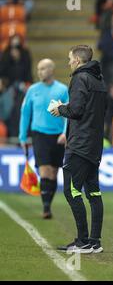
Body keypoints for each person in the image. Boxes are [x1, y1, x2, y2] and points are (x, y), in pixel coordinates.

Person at [50, 45, 108, 254]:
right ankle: (95, 241)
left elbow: (76, 110)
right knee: (93, 192)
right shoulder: (99, 80)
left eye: (69, 59)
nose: (68, 62)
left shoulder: (79, 78)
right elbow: (96, 110)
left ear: (76, 60)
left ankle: (83, 241)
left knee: (71, 190)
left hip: (80, 145)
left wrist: (60, 109)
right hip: (94, 144)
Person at [19, 59, 69, 219]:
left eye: (43, 69)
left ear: (51, 70)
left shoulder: (62, 89)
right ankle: (46, 207)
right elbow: (25, 113)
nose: (40, 72)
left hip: (57, 136)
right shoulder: (33, 90)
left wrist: (65, 132)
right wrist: (22, 136)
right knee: (45, 169)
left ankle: (48, 203)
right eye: (38, 69)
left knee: (54, 172)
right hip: (39, 134)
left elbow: (70, 112)